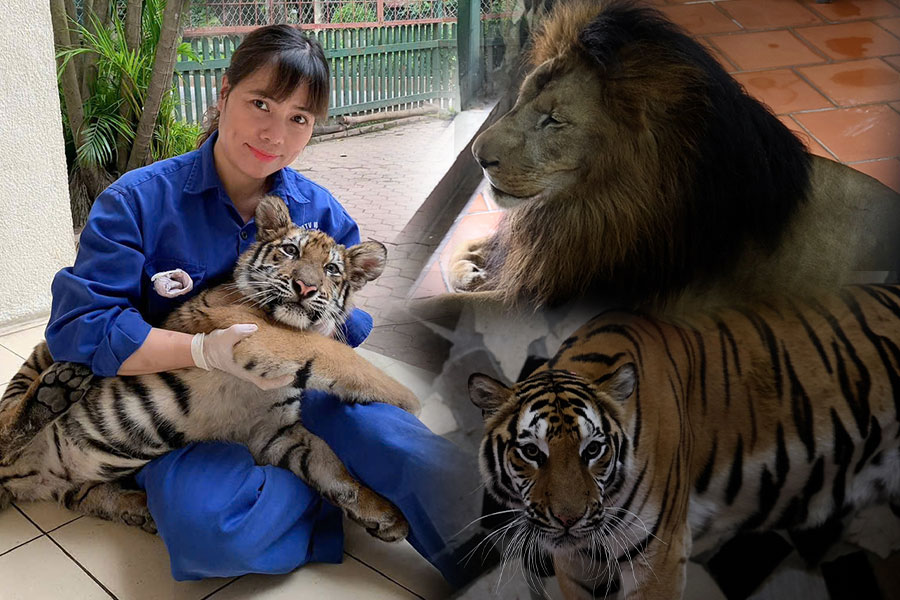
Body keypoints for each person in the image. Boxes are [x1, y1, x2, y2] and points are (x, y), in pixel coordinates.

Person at [46, 24, 468, 586]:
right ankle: (328, 492)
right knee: (211, 530)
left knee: (406, 450)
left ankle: (516, 556)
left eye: (299, 117)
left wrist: (310, 345)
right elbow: (81, 328)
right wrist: (201, 348)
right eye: (261, 103)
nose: (275, 132)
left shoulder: (319, 210)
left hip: (296, 389)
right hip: (195, 409)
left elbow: (345, 316)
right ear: (224, 96)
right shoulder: (137, 200)